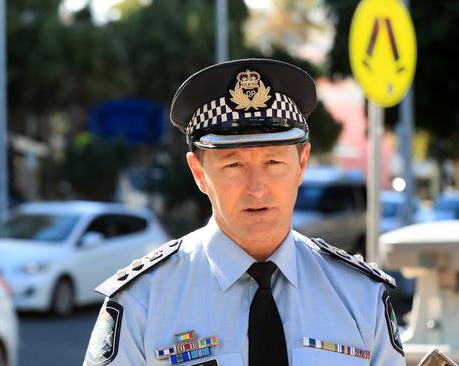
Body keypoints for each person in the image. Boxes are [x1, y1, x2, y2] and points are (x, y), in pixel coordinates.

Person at [83, 59, 405, 366]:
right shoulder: (143, 302)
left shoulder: (361, 298)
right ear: (199, 173)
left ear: (302, 164)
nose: (257, 187)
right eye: (234, 164)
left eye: (273, 162)